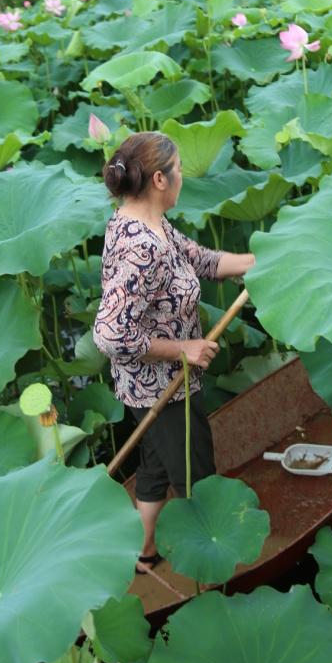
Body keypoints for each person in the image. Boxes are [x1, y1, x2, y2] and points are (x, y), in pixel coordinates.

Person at [93, 132, 255, 574]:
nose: (184, 176)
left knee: (154, 469)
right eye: (179, 169)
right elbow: (108, 333)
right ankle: (207, 569)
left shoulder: (143, 222)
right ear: (160, 178)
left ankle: (145, 553)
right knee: (194, 480)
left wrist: (258, 262)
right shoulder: (140, 248)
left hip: (144, 387)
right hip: (164, 392)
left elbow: (198, 259)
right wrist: (181, 348)